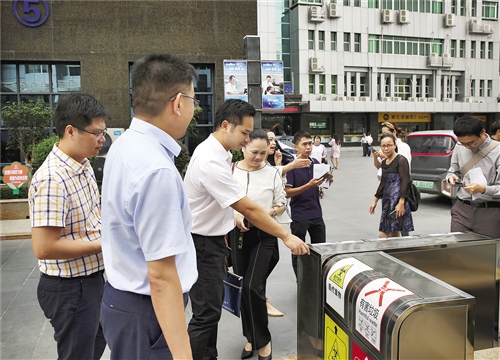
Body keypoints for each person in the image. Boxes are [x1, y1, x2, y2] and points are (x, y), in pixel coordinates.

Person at [184, 99, 310, 360]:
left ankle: (256, 341)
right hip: (206, 243)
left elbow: (266, 204)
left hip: (231, 240)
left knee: (233, 299)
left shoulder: (222, 154)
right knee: (207, 313)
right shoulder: (213, 161)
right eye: (244, 134)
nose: (247, 142)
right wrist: (286, 235)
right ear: (226, 125)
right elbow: (248, 208)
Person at [100, 54, 198, 359]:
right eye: (194, 100)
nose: (195, 109)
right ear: (178, 103)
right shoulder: (156, 169)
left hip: (125, 303)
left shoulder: (125, 145)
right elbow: (161, 276)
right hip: (148, 312)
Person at [28, 92, 109, 360]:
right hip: (69, 288)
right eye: (96, 133)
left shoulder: (83, 165)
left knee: (92, 349)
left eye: (104, 132)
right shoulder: (53, 178)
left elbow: (89, 220)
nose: (103, 139)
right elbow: (44, 247)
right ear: (70, 131)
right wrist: (105, 244)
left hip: (91, 278)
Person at [229, 129, 288, 360]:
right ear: (243, 147)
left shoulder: (272, 173)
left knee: (254, 286)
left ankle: (263, 340)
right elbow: (223, 200)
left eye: (264, 153)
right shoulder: (231, 170)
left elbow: (282, 204)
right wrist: (234, 214)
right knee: (244, 288)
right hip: (239, 235)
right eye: (254, 152)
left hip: (265, 235)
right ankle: (250, 337)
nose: (259, 157)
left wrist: (268, 211)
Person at [264, 130, 311, 317]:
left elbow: (279, 191)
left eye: (274, 140)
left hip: (274, 218)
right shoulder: (258, 165)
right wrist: (289, 166)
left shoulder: (275, 162)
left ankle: (259, 295)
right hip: (260, 221)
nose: (273, 143)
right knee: (264, 261)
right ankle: (261, 298)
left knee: (272, 258)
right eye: (269, 140)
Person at [285, 131, 332, 277]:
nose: (308, 147)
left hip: (316, 213)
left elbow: (322, 186)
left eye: (310, 143)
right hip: (300, 216)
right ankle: (301, 280)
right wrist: (308, 185)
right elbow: (287, 192)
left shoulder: (315, 163)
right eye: (304, 144)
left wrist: (328, 179)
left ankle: (317, 278)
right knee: (298, 250)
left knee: (320, 249)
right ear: (296, 147)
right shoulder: (291, 167)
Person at [446, 116, 500, 239]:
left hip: (490, 212)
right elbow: (453, 171)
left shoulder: (498, 152)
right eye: (463, 143)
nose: (467, 147)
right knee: (457, 251)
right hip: (462, 208)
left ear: (482, 132)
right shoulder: (459, 146)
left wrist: (483, 189)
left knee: (486, 253)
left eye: (471, 143)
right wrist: (451, 177)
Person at [369, 133, 414, 238]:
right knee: (394, 233)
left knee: (383, 234)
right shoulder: (385, 162)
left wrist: (401, 202)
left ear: (394, 145)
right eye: (383, 146)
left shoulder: (401, 160)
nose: (386, 148)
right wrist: (374, 201)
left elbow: (405, 181)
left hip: (398, 202)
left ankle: (391, 253)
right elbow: (383, 183)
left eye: (389, 145)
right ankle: (395, 254)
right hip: (387, 202)